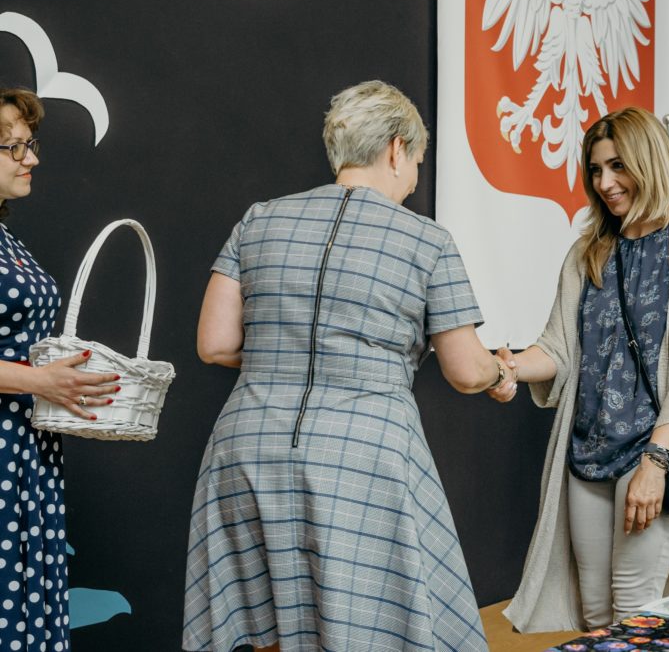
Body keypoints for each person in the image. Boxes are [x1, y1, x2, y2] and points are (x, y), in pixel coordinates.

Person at [183, 80, 512, 652]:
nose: (414, 179)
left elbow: (214, 344)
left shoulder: (259, 220)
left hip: (247, 446)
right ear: (396, 149)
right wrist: (500, 374)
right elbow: (466, 370)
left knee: (265, 626)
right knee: (359, 627)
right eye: (417, 163)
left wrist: (285, 351)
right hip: (363, 455)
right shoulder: (426, 240)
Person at [490, 107, 669, 632]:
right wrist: (505, 367)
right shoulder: (589, 252)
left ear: (649, 161)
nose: (604, 183)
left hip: (653, 450)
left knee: (634, 609)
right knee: (595, 613)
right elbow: (556, 348)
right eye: (596, 170)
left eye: (618, 166)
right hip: (588, 451)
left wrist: (656, 462)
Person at [0, 88, 120, 650]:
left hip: (24, 448)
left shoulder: (6, 237)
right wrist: (39, 381)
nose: (31, 158)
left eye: (31, 143)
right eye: (13, 146)